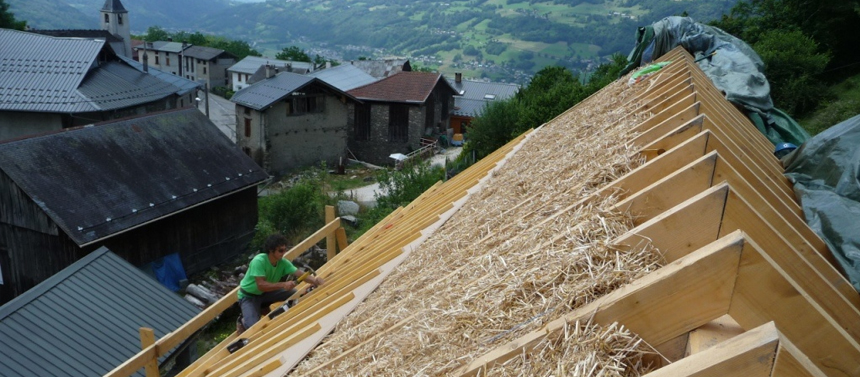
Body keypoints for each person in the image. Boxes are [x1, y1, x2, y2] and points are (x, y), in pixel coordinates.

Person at [236, 234, 324, 334]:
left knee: (294, 294)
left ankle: (264, 307)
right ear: (271, 250)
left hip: (267, 293)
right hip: (249, 296)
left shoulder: (283, 263)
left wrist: (315, 281)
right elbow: (261, 285)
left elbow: (300, 274)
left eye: (284, 250)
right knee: (253, 328)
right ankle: (243, 321)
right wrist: (283, 285)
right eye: (280, 251)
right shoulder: (259, 261)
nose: (283, 253)